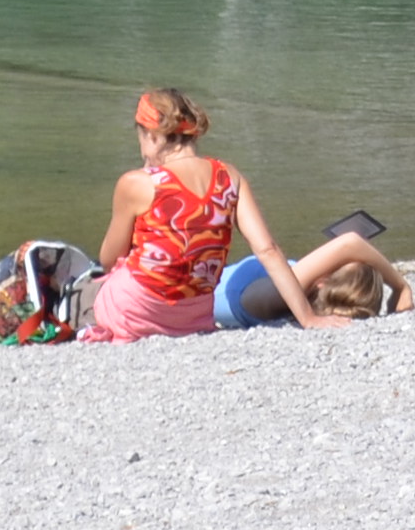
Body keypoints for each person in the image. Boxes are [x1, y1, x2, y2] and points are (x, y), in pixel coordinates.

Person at [82, 85, 324, 344]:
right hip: (193, 317)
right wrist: (307, 317)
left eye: (141, 139)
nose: (142, 152)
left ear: (152, 135)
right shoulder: (230, 177)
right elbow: (268, 250)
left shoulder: (137, 183)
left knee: (94, 286)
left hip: (136, 310)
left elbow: (110, 259)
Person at [218, 211, 413, 328]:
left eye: (337, 263)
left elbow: (351, 242)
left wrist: (400, 286)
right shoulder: (294, 293)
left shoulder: (277, 295)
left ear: (322, 282)